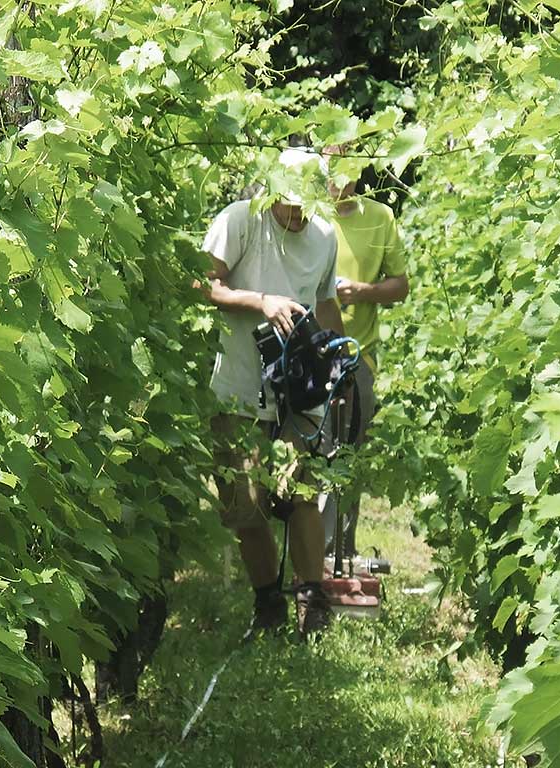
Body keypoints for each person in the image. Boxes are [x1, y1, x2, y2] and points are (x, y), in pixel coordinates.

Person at [202, 148, 346, 639]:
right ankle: (267, 604)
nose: (296, 211)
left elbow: (325, 303)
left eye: (306, 201)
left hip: (299, 389)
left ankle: (313, 602)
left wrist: (343, 365)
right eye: (288, 200)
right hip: (238, 386)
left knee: (303, 492)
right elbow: (204, 283)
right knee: (247, 505)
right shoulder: (241, 221)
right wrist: (260, 301)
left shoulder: (325, 236)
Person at [324, 156, 409, 554]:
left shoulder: (380, 216)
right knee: (311, 450)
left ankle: (342, 549)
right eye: (333, 174)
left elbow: (400, 286)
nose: (342, 184)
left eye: (350, 174)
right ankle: (312, 554)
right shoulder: (305, 213)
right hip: (307, 349)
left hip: (359, 355)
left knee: (349, 452)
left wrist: (362, 292)